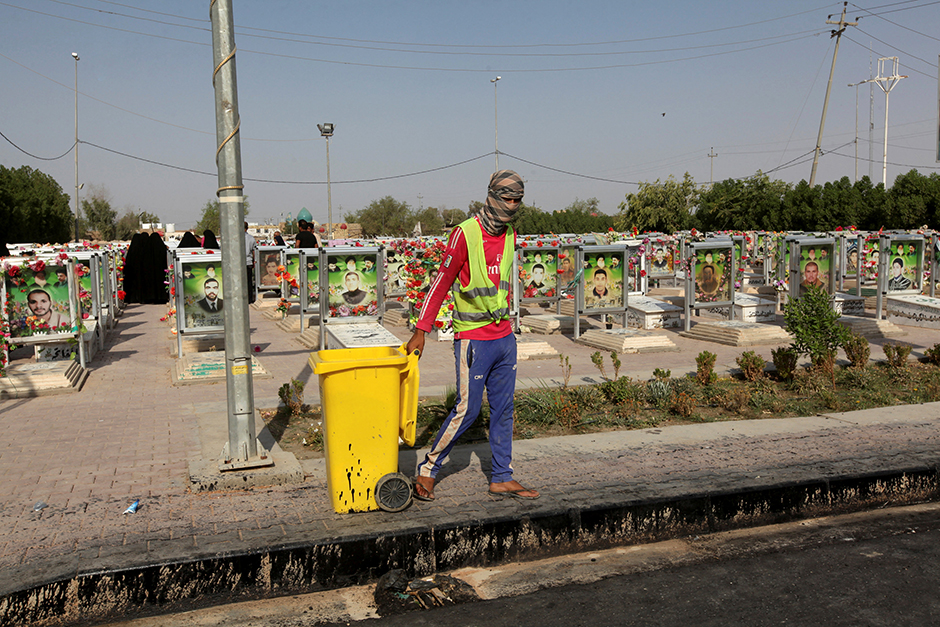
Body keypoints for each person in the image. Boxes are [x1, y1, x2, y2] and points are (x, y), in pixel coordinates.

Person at [407, 170, 539, 502]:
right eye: (506, 198)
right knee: (467, 410)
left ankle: (501, 476)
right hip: (474, 339)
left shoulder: (509, 234)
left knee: (504, 409)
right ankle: (428, 469)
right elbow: (440, 283)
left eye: (517, 200)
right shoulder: (464, 234)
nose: (511, 206)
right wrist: (421, 330)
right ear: (492, 195)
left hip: (504, 337)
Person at [245, 221, 257, 303]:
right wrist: (254, 261)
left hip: (238, 264)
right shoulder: (251, 238)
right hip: (248, 262)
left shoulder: (235, 238)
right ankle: (249, 299)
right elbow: (254, 251)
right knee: (249, 282)